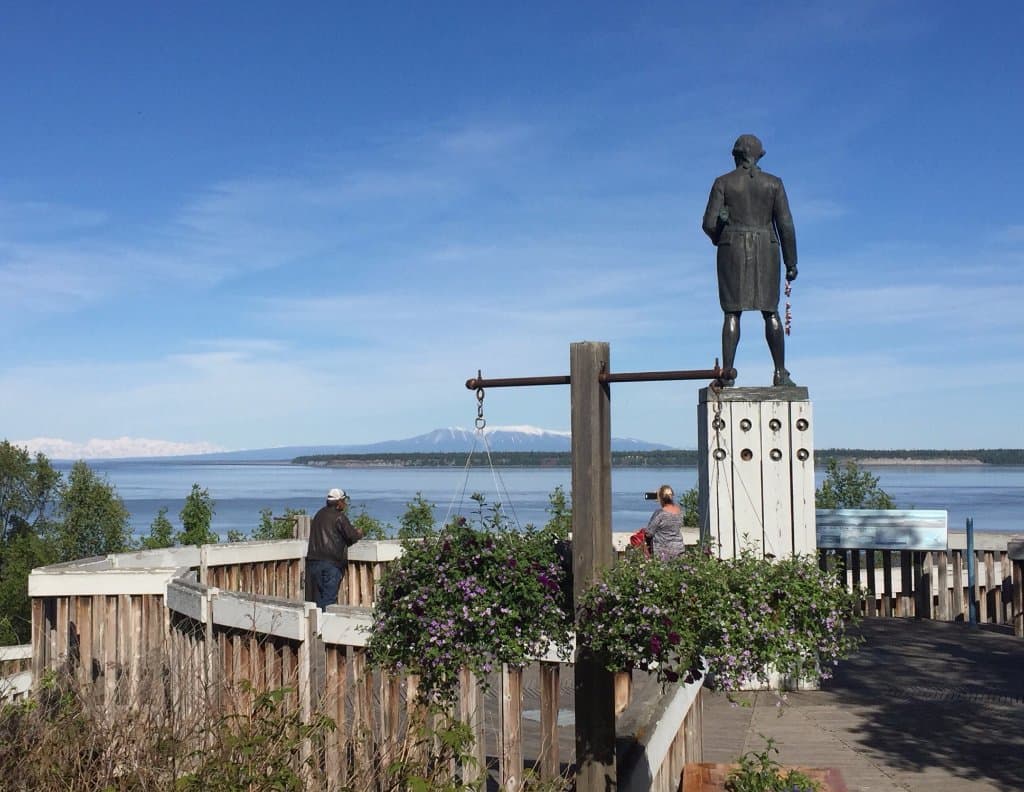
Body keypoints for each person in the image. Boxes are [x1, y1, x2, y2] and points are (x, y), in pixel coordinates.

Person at [702, 134, 798, 387]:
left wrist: (721, 229)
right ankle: (780, 373)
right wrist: (791, 261)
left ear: (737, 155)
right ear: (757, 155)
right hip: (767, 248)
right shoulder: (774, 184)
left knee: (732, 312)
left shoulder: (723, 182)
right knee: (771, 311)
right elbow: (785, 224)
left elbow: (709, 224)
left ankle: (727, 374)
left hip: (731, 249)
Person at [307, 487, 363, 610]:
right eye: (344, 501)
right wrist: (359, 533)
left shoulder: (319, 514)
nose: (345, 504)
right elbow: (351, 537)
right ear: (339, 503)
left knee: (318, 599)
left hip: (313, 562)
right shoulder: (339, 517)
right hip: (331, 563)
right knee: (329, 600)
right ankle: (324, 627)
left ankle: (317, 626)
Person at [643, 485, 686, 561]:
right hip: (678, 549)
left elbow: (649, 533)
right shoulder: (680, 512)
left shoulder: (660, 513)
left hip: (663, 552)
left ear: (661, 498)